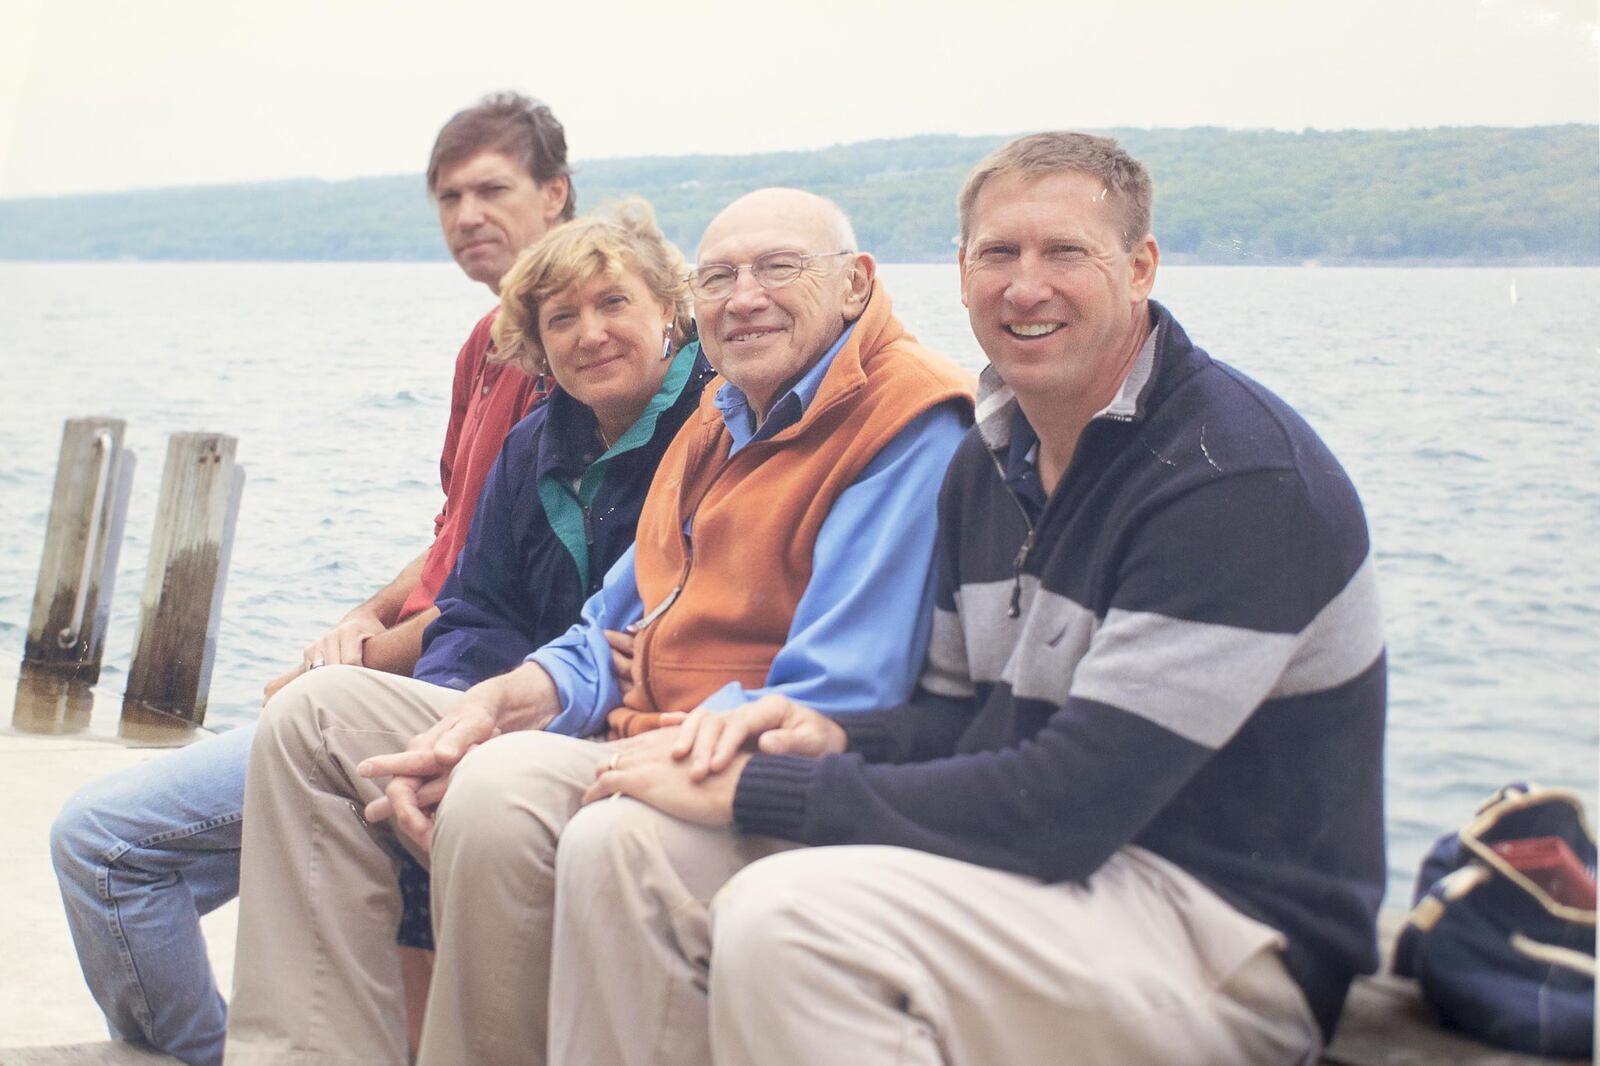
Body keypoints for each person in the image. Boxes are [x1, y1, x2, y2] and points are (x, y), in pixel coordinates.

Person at [541, 132, 1389, 1066]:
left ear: (1140, 266)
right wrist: (816, 730)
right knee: (621, 846)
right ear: (959, 271)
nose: (1026, 287)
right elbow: (954, 723)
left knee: (791, 925)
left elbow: (1066, 807)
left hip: (1224, 931)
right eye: (998, 254)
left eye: (1065, 252)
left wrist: (764, 786)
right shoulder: (993, 459)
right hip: (1047, 873)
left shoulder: (1230, 479)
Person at [222, 187, 975, 1066]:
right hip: (628, 722)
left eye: (778, 270)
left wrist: (617, 718)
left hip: (725, 757)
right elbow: (600, 625)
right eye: (722, 276)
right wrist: (495, 702)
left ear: (855, 285)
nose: (744, 297)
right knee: (315, 717)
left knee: (501, 794)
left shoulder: (905, 422)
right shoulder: (717, 418)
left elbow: (834, 690)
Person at [48, 91, 574, 1066]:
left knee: (102, 844)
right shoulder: (486, 346)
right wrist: (363, 612)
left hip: (465, 690)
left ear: (556, 194)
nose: (467, 216)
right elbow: (454, 536)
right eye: (447, 196)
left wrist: (361, 662)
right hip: (413, 664)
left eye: (492, 189)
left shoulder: (583, 361)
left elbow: (524, 598)